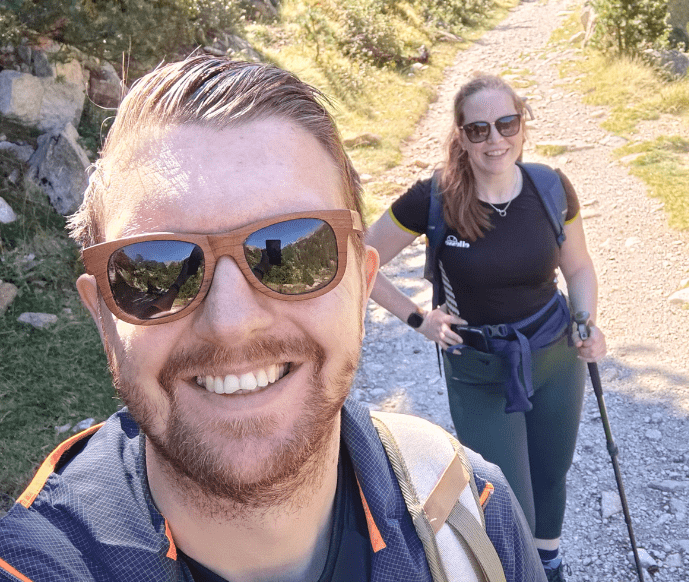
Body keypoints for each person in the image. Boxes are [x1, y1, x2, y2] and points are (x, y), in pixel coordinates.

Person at [0, 57, 545, 582]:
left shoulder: (470, 512)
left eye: (290, 251)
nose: (231, 323)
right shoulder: (34, 564)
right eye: (158, 271)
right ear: (102, 317)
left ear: (361, 284)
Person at [366, 74, 607, 582]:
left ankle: (549, 564)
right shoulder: (434, 199)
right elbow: (360, 259)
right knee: (506, 490)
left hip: (557, 354)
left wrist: (586, 321)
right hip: (477, 368)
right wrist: (417, 318)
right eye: (478, 130)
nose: (494, 140)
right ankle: (519, 572)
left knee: (550, 474)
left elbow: (579, 268)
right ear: (461, 136)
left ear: (523, 127)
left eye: (506, 124)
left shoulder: (550, 187)